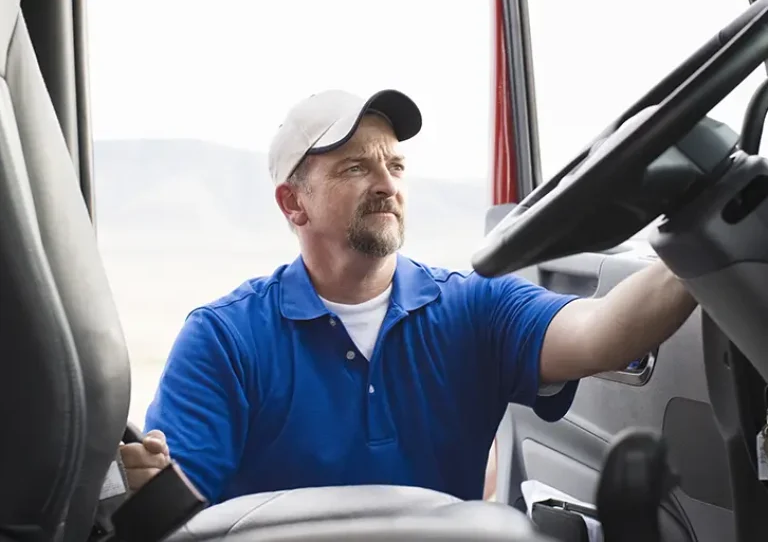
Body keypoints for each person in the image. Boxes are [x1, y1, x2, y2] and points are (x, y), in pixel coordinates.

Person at [120, 88, 697, 502]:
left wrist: (706, 236)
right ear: (294, 204)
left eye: (395, 165)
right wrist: (146, 487)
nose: (386, 184)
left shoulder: (475, 307)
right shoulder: (224, 339)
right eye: (355, 168)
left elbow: (604, 334)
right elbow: (173, 510)